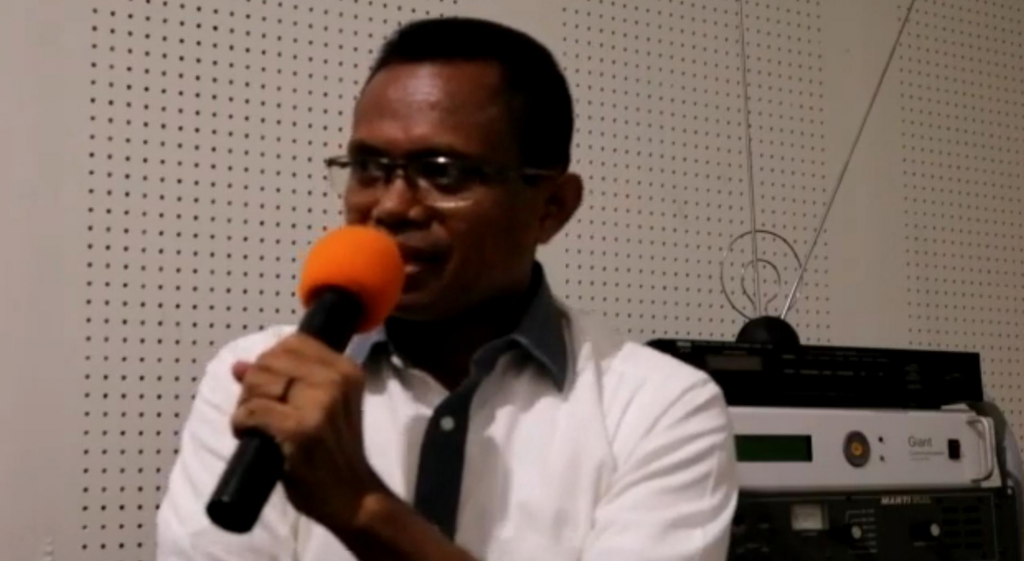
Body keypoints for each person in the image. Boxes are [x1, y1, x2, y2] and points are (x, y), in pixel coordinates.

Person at [157, 17, 737, 561]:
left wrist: (364, 510)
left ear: (552, 207)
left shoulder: (661, 408)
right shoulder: (258, 379)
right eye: (368, 168)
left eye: (443, 172)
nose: (390, 206)